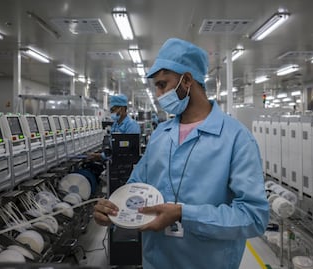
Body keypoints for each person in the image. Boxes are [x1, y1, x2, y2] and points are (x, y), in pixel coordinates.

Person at [93, 38, 269, 269]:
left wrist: (184, 214)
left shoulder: (236, 138)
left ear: (187, 80)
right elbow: (136, 187)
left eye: (162, 85)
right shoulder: (160, 135)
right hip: (155, 262)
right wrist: (113, 211)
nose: (158, 95)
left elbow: (254, 217)